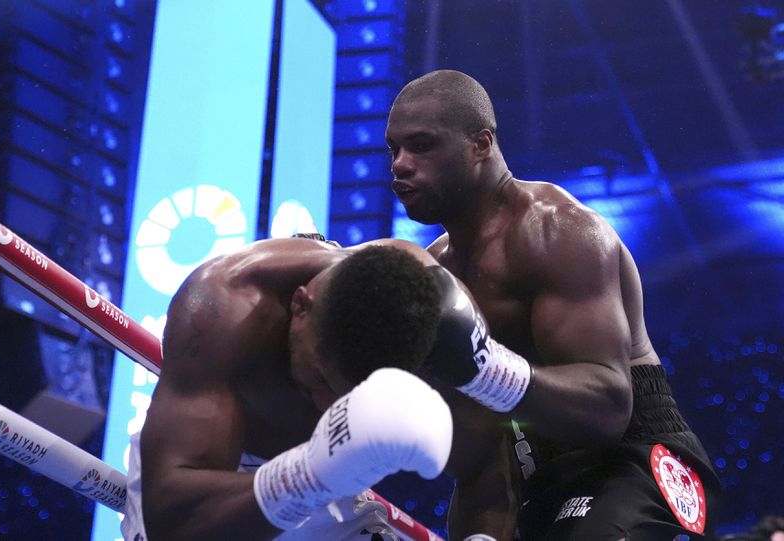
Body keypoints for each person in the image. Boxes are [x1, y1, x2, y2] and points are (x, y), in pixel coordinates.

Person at [385, 69, 723, 540]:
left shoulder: (557, 233)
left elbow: (608, 407)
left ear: (481, 145)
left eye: (421, 145)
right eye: (394, 149)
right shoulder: (439, 271)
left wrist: (483, 367)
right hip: (526, 470)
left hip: (634, 459)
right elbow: (481, 446)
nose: (400, 164)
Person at [122, 236, 519, 541]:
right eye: (319, 378)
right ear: (299, 307)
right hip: (213, 483)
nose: (329, 406)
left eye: (350, 397)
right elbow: (171, 518)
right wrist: (311, 473)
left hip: (336, 486)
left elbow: (487, 463)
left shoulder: (433, 325)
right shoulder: (221, 310)